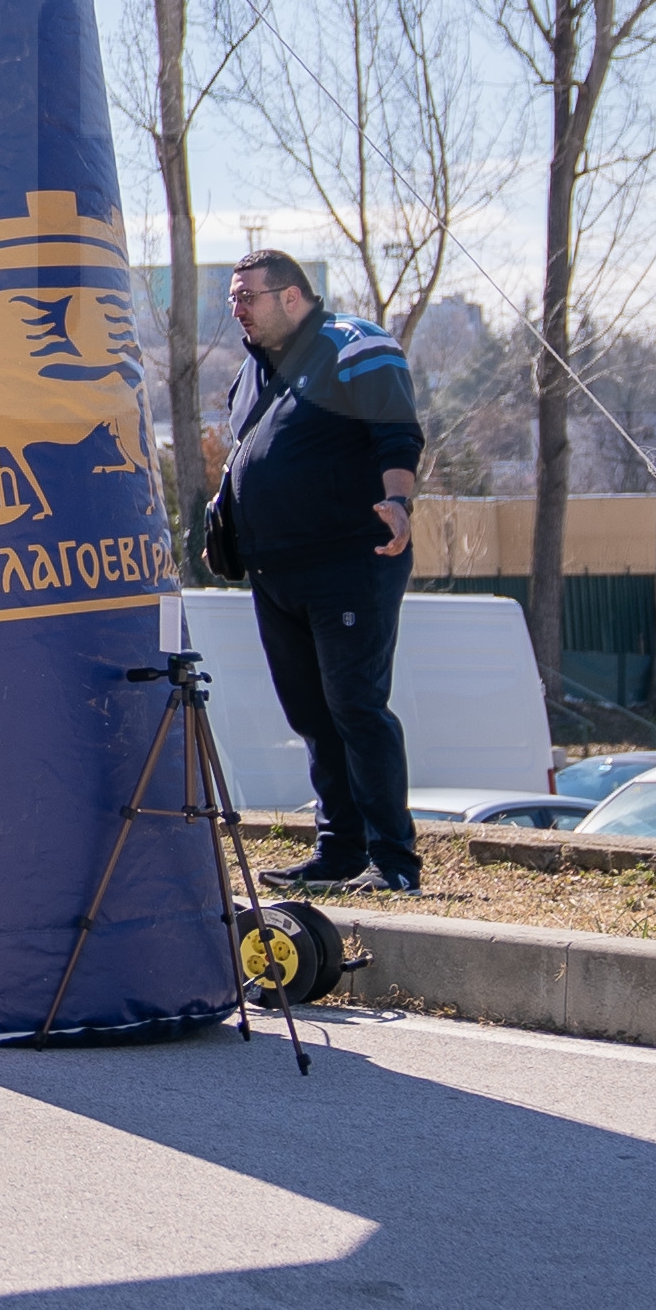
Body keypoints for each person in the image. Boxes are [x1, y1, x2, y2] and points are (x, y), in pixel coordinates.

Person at [204, 249, 429, 894]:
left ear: (293, 296)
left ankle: (394, 862)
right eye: (233, 298)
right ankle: (340, 850)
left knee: (356, 706)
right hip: (276, 572)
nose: (237, 309)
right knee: (311, 714)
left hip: (349, 560)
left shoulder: (353, 344)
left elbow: (396, 430)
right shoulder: (251, 373)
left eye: (248, 296)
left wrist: (397, 500)